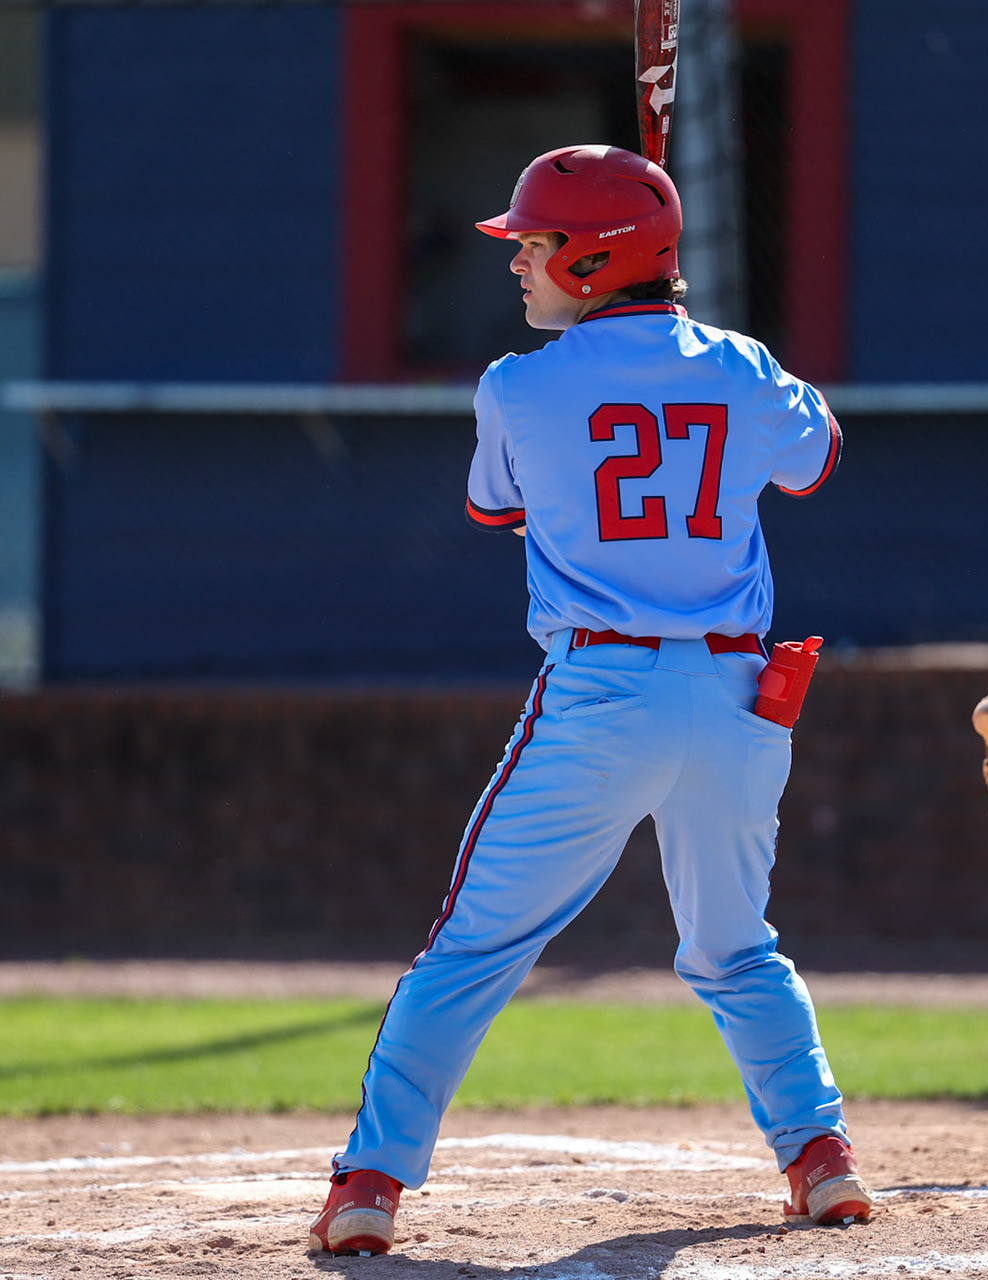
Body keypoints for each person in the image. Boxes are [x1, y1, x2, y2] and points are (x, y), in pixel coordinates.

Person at [308, 144, 869, 1256]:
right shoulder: (741, 364)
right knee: (735, 945)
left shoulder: (517, 384)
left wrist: (647, 358)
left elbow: (497, 508)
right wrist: (695, 350)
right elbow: (816, 457)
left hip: (603, 694)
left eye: (534, 244)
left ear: (590, 256)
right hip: (738, 699)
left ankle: (369, 1181)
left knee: (473, 947)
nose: (519, 264)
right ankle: (821, 1157)